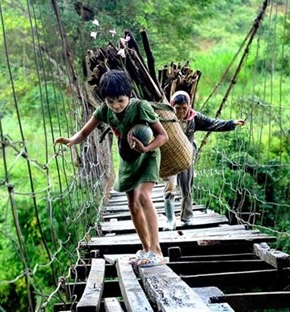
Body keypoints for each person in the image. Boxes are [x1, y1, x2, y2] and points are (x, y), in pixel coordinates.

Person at [54, 70, 169, 267]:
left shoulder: (141, 107)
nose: (116, 106)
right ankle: (145, 248)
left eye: (120, 101)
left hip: (148, 154)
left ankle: (156, 251)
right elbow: (84, 131)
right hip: (127, 155)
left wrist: (146, 148)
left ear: (129, 96)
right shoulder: (104, 111)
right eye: (110, 101)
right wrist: (71, 141)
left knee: (143, 196)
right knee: (132, 204)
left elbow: (163, 136)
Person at [163, 91, 246, 230]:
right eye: (178, 108)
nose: (181, 111)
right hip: (170, 158)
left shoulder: (194, 118)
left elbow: (212, 123)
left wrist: (231, 123)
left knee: (186, 187)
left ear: (189, 106)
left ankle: (187, 217)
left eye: (184, 108)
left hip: (186, 157)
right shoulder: (167, 118)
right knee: (170, 188)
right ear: (172, 106)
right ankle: (170, 220)